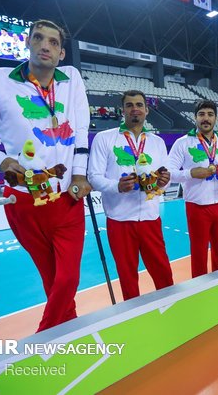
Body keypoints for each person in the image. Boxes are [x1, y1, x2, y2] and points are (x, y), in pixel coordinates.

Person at [0, 19, 91, 332]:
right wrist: (1, 160)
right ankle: (66, 334)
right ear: (28, 43)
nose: (45, 45)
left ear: (61, 54)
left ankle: (41, 339)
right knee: (52, 279)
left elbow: (82, 131)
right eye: (38, 38)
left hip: (66, 199)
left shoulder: (72, 78)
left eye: (53, 42)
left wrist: (80, 175)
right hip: (24, 201)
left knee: (68, 277)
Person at [88, 90, 173, 300]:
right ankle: (133, 317)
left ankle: (172, 305)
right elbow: (93, 177)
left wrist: (164, 181)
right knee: (127, 276)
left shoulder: (157, 142)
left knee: (163, 271)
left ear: (146, 110)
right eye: (129, 105)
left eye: (139, 104)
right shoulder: (104, 139)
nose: (135, 108)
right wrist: (117, 186)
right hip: (120, 220)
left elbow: (166, 174)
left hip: (150, 218)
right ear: (122, 110)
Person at [167, 100, 218, 278]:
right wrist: (190, 173)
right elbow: (168, 173)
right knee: (199, 253)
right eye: (202, 114)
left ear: (216, 118)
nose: (206, 118)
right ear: (195, 117)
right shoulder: (183, 143)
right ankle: (199, 290)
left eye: (210, 115)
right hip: (197, 208)